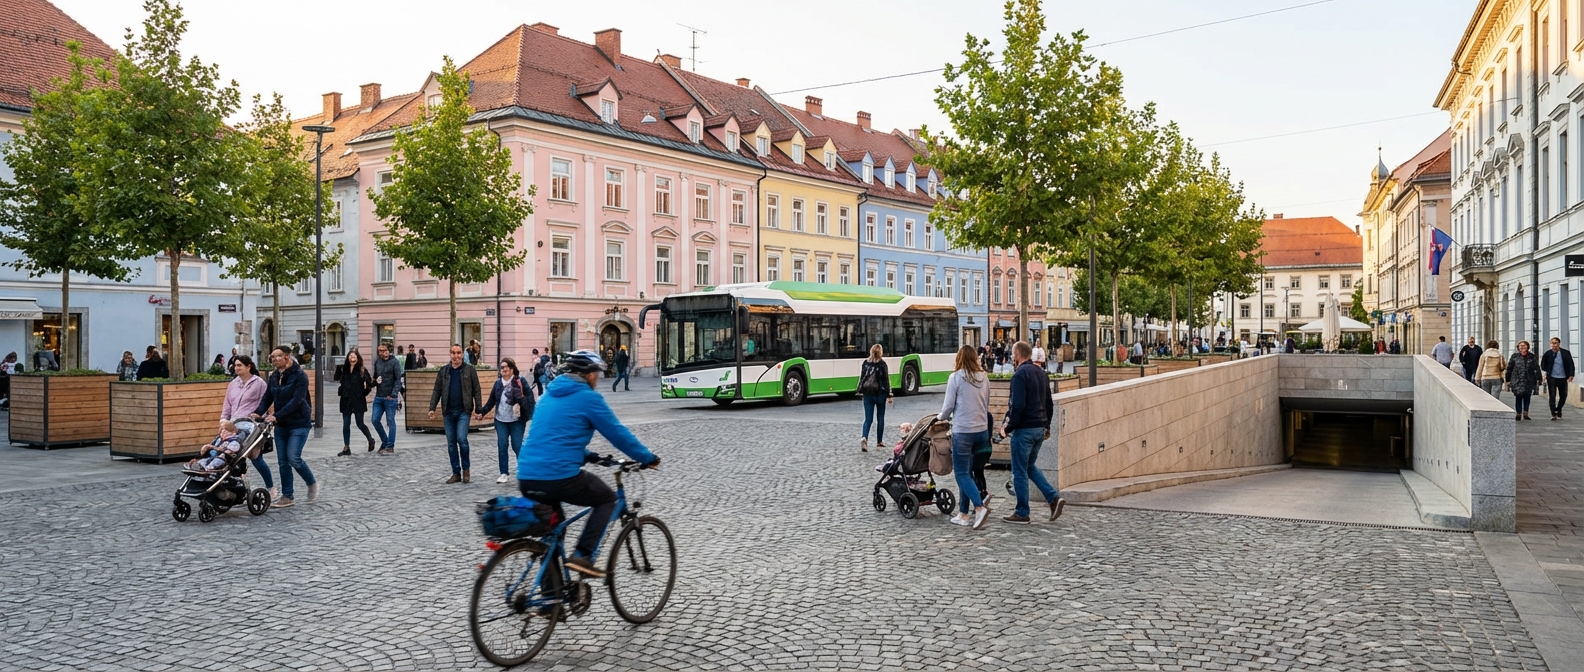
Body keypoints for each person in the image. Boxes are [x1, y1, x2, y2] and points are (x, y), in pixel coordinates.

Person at [516, 349, 659, 577]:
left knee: (554, 532)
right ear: (588, 374)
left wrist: (587, 455)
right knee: (607, 499)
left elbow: (553, 438)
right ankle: (583, 555)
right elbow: (617, 433)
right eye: (596, 373)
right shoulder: (589, 398)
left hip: (526, 474)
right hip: (558, 476)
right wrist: (647, 457)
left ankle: (549, 600)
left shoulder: (547, 396)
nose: (598, 379)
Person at [999, 340, 1063, 524]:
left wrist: (1007, 427)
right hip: (1039, 429)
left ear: (1018, 354)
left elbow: (1016, 406)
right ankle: (1053, 498)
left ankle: (1022, 512)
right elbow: (1049, 404)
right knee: (1029, 467)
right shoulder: (1042, 374)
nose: (1011, 356)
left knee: (1019, 471)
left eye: (1012, 353)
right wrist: (1047, 427)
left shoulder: (1019, 375)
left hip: (1024, 430)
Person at [253, 346, 316, 508]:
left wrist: (276, 415)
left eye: (277, 357)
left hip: (299, 422)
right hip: (281, 424)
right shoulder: (274, 376)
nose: (273, 360)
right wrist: (258, 412)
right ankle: (287, 496)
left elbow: (297, 400)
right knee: (283, 462)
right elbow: (268, 397)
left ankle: (311, 483)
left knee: (293, 457)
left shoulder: (300, 376)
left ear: (287, 357)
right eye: (272, 357)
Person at [938, 345, 992, 530]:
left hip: (964, 431)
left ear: (959, 358)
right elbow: (986, 403)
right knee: (967, 474)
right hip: (981, 431)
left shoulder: (955, 377)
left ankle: (978, 507)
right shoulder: (984, 377)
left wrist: (939, 419)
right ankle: (963, 514)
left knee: (961, 473)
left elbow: (948, 407)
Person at [222, 354, 273, 498]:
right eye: (235, 365)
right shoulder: (233, 384)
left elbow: (267, 402)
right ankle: (235, 487)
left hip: (251, 426)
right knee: (231, 457)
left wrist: (266, 418)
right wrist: (223, 421)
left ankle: (271, 487)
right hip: (234, 425)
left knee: (256, 459)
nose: (236, 368)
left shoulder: (259, 384)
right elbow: (227, 405)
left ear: (248, 366)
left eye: (239, 365)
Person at [428, 344, 480, 484]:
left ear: (462, 354)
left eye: (458, 353)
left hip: (464, 410)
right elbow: (437, 390)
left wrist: (478, 409)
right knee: (451, 443)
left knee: (462, 439)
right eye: (453, 353)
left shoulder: (469, 370)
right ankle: (456, 473)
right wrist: (432, 408)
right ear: (450, 354)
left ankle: (466, 470)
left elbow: (477, 390)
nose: (455, 356)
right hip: (448, 411)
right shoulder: (444, 371)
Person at [477, 357, 534, 484]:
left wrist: (521, 400)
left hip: (517, 420)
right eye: (501, 367)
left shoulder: (520, 381)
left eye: (505, 367)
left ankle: (524, 471)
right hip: (500, 420)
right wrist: (482, 412)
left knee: (517, 445)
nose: (502, 369)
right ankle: (504, 473)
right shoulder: (498, 383)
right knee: (502, 445)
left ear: (512, 368)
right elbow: (491, 401)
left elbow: (530, 398)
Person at [333, 348, 376, 456]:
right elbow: (336, 378)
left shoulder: (362, 370)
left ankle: (370, 439)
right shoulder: (344, 369)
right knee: (346, 424)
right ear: (348, 358)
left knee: (359, 423)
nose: (352, 359)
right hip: (346, 399)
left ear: (358, 358)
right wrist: (338, 370)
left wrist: (371, 387)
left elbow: (369, 384)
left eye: (354, 357)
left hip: (358, 400)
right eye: (350, 356)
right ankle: (346, 447)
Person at [857, 344, 894, 452]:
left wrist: (860, 389)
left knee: (868, 419)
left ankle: (864, 437)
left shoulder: (865, 363)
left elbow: (862, 377)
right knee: (880, 418)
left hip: (867, 394)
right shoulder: (882, 364)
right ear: (880, 352)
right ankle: (879, 441)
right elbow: (886, 381)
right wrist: (889, 395)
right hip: (880, 394)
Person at [370, 343, 403, 455]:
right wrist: (375, 382)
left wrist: (393, 394)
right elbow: (374, 377)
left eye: (384, 350)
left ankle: (390, 446)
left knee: (390, 421)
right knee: (375, 420)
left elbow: (398, 379)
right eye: (380, 350)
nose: (382, 352)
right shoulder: (377, 362)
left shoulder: (394, 362)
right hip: (379, 396)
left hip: (390, 397)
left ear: (388, 351)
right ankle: (385, 441)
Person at [1541, 337, 1576, 420]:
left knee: (1563, 395)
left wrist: (1571, 375)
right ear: (1550, 344)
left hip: (1563, 377)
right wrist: (1547, 371)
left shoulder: (1565, 353)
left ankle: (1559, 409)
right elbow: (1543, 364)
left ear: (1559, 344)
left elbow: (1571, 364)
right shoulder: (1548, 353)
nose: (1554, 344)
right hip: (1552, 377)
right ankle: (1553, 413)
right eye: (1552, 343)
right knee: (1552, 395)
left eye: (1556, 343)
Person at [1506, 341, 1542, 421]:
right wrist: (1507, 379)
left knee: (1527, 396)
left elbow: (1536, 367)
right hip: (1517, 379)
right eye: (1520, 346)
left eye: (1524, 345)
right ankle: (1518, 413)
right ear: (1518, 347)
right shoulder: (1515, 356)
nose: (1522, 347)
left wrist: (1539, 378)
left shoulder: (1531, 356)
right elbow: (1509, 368)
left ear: (1527, 347)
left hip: (1529, 379)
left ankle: (1526, 413)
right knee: (1518, 396)